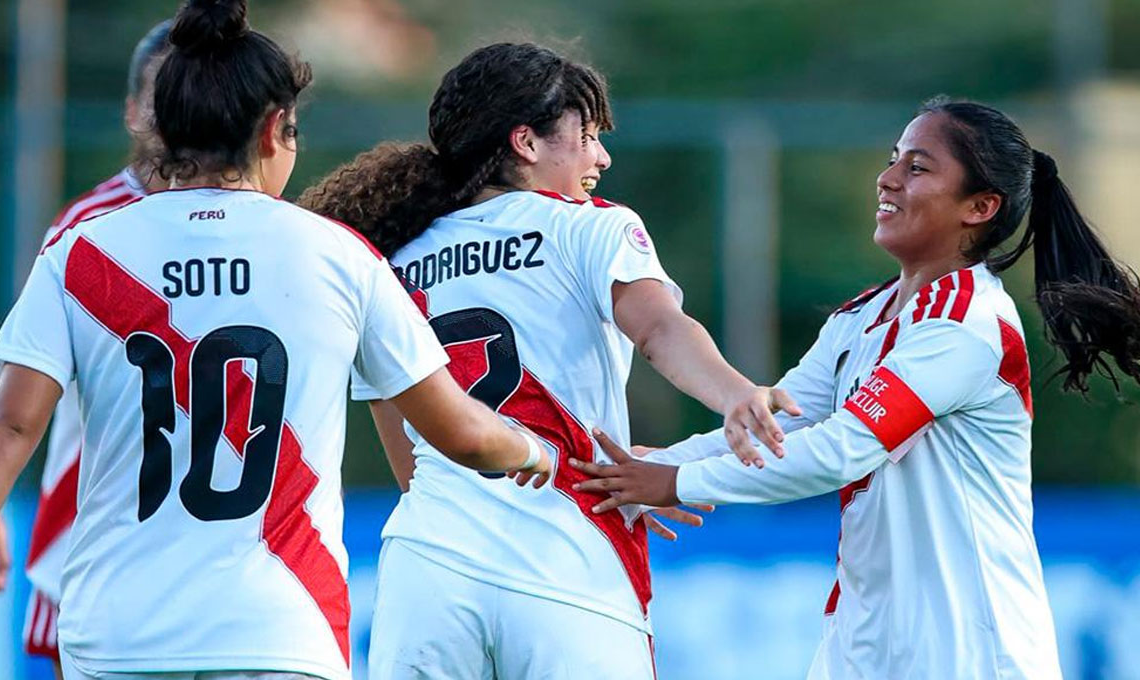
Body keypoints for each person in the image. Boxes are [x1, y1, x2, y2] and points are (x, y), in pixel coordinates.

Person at [0, 0, 550, 680]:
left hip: (118, 639)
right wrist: (539, 452)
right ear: (275, 127)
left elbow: (9, 424)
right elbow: (459, 433)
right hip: (283, 631)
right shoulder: (336, 255)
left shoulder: (83, 252)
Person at [571, 97, 1140, 679]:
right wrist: (648, 467)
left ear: (980, 207)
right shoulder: (861, 318)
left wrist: (674, 481)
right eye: (893, 158)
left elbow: (842, 449)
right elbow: (781, 427)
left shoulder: (967, 326)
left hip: (967, 646)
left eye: (917, 168)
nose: (887, 179)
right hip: (865, 639)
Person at [299, 42, 796, 680]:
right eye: (586, 136)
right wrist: (733, 392)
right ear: (527, 143)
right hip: (568, 559)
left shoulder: (386, 259)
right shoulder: (589, 225)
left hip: (428, 568)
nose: (601, 157)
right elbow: (659, 328)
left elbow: (409, 463)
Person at [0, 19, 174, 678]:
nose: (182, 114)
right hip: (95, 533)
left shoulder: (271, 229)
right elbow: (23, 387)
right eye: (164, 97)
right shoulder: (89, 227)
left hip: (211, 537)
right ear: (133, 112)